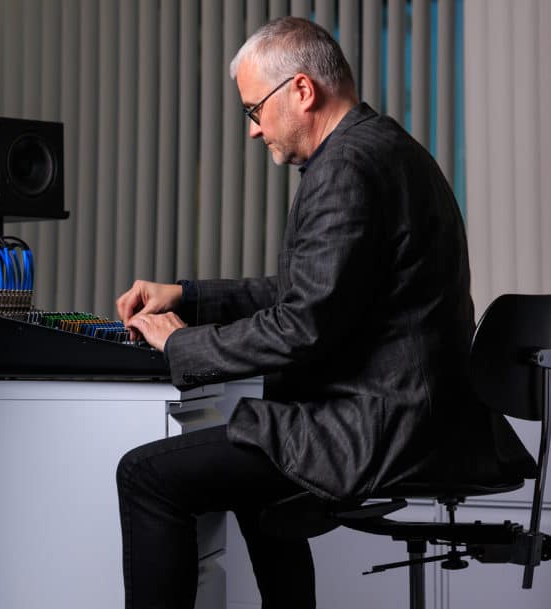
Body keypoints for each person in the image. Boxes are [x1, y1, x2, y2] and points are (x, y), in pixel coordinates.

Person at [114, 16, 534, 609]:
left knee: (146, 476)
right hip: (430, 419)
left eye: (254, 111)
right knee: (256, 449)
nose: (254, 132)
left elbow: (303, 324)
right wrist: (187, 296)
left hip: (379, 428)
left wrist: (179, 344)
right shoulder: (391, 148)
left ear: (302, 91)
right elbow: (314, 288)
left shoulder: (344, 168)